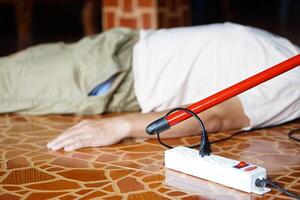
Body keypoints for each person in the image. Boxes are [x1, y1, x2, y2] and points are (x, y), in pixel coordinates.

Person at [0, 22, 299, 151]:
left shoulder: (293, 82)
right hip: (121, 48)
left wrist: (119, 126)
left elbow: (217, 115)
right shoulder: (290, 53)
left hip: (114, 74)